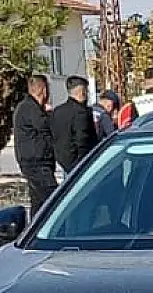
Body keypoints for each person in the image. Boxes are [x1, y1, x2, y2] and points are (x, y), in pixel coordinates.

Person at [12, 75, 58, 213]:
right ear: (44, 91)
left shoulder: (26, 107)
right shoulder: (30, 108)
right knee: (54, 201)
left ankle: (35, 230)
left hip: (33, 162)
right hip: (37, 164)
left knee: (38, 204)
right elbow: (46, 126)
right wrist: (51, 115)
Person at [50, 75, 98, 175]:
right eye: (86, 91)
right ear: (82, 92)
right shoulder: (81, 113)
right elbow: (83, 141)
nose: (88, 94)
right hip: (80, 165)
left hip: (64, 162)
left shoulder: (57, 111)